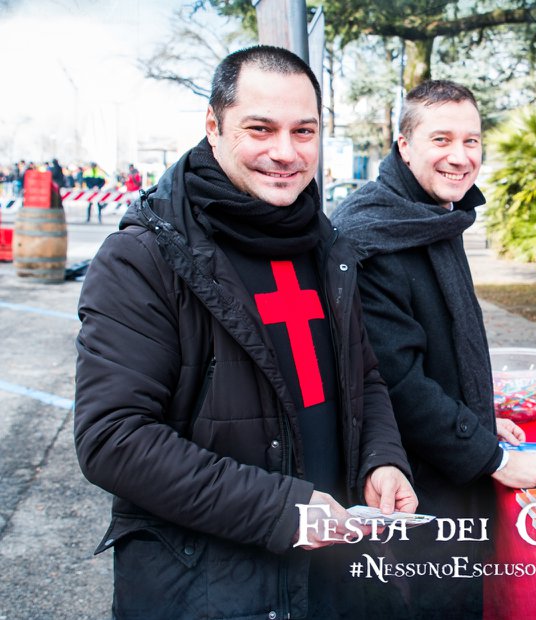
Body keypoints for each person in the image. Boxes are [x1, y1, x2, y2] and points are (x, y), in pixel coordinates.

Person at [74, 45, 417, 620]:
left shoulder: (327, 246)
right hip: (208, 586)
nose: (285, 152)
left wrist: (381, 459)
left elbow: (364, 377)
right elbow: (113, 439)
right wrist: (282, 510)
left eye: (303, 131)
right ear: (213, 126)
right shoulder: (143, 257)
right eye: (260, 129)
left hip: (335, 568)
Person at [332, 80, 536, 618]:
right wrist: (493, 457)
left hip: (445, 458)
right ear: (404, 145)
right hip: (411, 483)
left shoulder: (430, 210)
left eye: (471, 140)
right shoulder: (372, 232)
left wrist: (479, 413)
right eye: (442, 139)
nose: (460, 157)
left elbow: (443, 340)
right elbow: (397, 383)